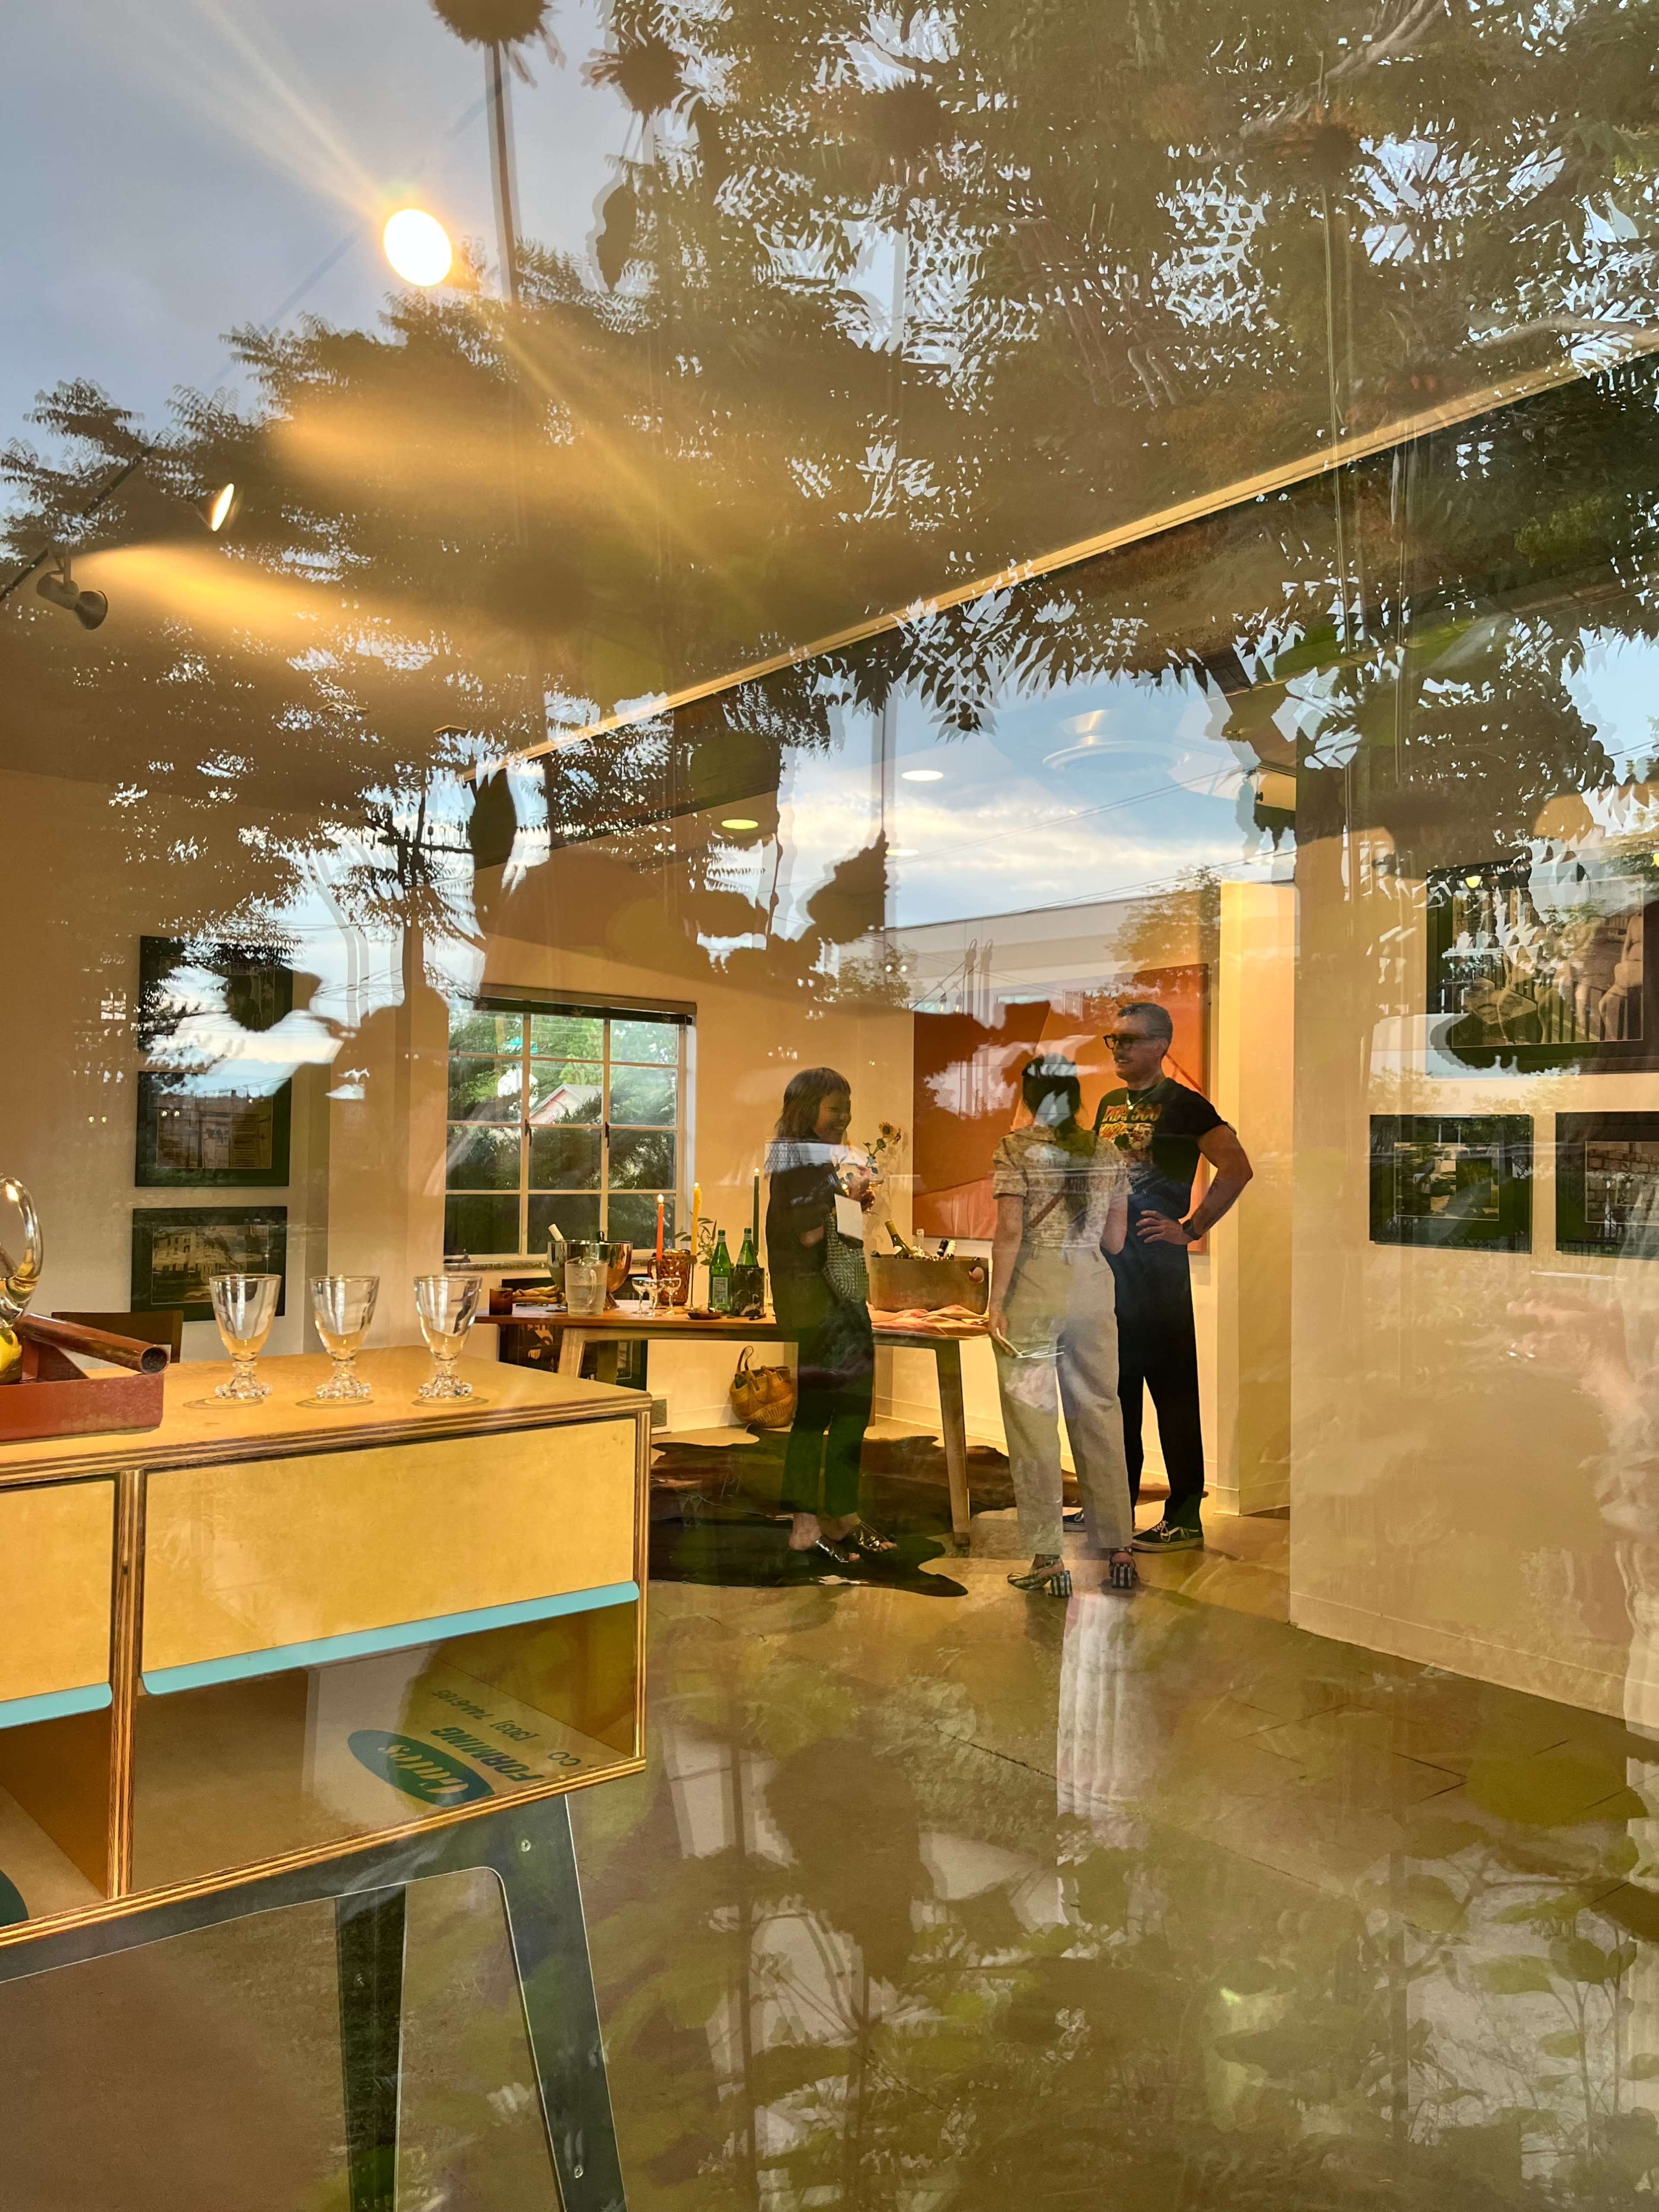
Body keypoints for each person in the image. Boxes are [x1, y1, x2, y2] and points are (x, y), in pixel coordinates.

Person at [1091, 1002, 1253, 1552]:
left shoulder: (1185, 1104)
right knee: (1116, 1393)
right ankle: (1114, 1505)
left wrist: (1190, 1227)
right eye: (1113, 1040)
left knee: (1173, 1393)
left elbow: (1237, 1167)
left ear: (1162, 1044)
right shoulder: (1111, 1104)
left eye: (1131, 1040)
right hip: (1109, 1269)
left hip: (1158, 1273)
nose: (1120, 1049)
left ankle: (1185, 1513)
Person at [986, 1056, 1137, 1599]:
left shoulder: (1015, 1148)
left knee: (1033, 1422)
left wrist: (995, 1302)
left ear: (1030, 1096)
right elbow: (1117, 1241)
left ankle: (1049, 1557)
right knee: (1101, 1410)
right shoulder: (1107, 1150)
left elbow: (1008, 1230)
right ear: (1075, 1097)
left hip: (1034, 1286)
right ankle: (1119, 1547)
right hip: (1094, 1286)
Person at [766, 1067, 893, 1568]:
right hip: (818, 1301)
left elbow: (831, 1227)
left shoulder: (818, 1159)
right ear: (808, 1109)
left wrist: (853, 1196)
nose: (845, 1116)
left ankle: (838, 1516)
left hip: (835, 1298)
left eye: (847, 1105)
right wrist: (846, 1191)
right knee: (823, 1412)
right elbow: (809, 1236)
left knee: (850, 1409)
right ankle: (810, 1523)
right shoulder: (798, 1160)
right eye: (835, 1106)